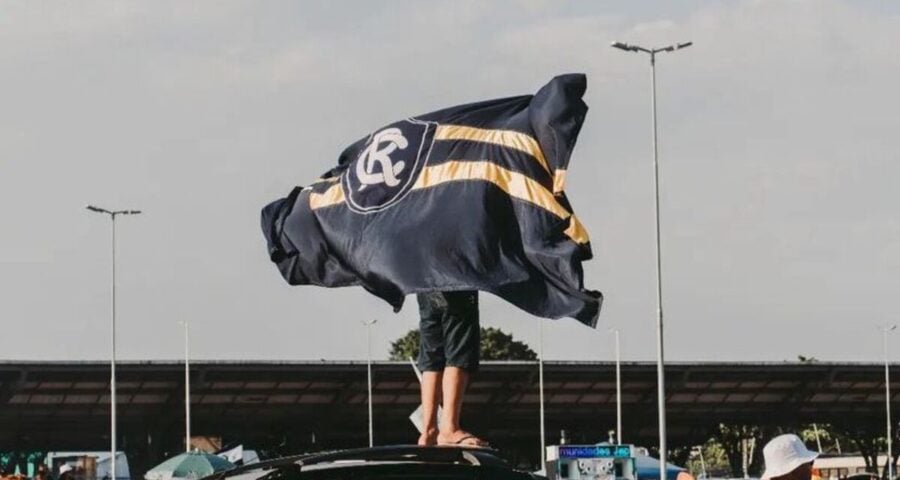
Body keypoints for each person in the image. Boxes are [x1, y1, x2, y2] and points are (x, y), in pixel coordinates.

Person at [416, 290, 488, 447]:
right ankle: (449, 427)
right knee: (459, 348)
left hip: (426, 282)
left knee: (433, 352)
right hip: (455, 280)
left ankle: (428, 429)